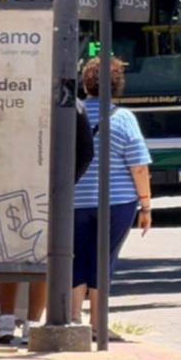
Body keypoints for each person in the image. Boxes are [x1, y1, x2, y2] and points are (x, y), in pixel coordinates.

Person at [0, 100, 95, 347]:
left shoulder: (14, 95)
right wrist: (66, 182)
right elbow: (86, 152)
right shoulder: (70, 102)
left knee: (11, 250)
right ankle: (31, 325)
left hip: (11, 183)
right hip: (47, 188)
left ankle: (8, 324)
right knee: (40, 254)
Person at [73, 56, 152, 335]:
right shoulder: (124, 118)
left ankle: (73, 320)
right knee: (103, 258)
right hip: (116, 203)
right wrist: (146, 206)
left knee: (76, 258)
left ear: (85, 84)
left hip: (74, 201)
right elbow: (138, 167)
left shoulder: (71, 114)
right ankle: (98, 325)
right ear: (118, 85)